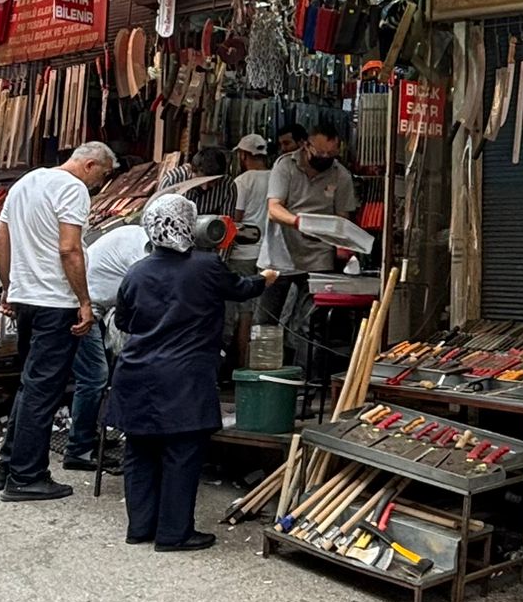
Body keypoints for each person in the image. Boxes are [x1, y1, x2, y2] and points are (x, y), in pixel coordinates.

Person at [112, 195, 262, 550]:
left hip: (136, 374)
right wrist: (266, 279)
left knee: (140, 451)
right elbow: (241, 289)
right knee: (181, 454)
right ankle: (174, 533)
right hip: (183, 377)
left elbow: (123, 321)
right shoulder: (206, 266)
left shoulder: (136, 272)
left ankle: (141, 527)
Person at [0, 141, 117, 502]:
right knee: (43, 390)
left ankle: (8, 467)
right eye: (103, 175)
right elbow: (69, 248)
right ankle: (26, 477)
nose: (100, 183)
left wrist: (9, 287)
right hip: (54, 301)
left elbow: (2, 240)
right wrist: (84, 300)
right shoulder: (72, 188)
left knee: (31, 385)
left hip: (28, 296)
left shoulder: (26, 183)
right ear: (90, 165)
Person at [62, 223, 149, 473]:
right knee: (94, 376)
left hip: (91, 307)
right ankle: (78, 449)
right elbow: (144, 294)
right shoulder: (140, 250)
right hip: (83, 309)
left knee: (97, 374)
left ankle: (87, 436)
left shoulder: (136, 237)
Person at [257, 125, 359, 326]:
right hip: (279, 254)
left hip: (318, 257)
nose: (325, 157)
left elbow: (342, 218)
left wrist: (343, 247)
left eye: (331, 153)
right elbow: (274, 208)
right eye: (320, 152)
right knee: (265, 322)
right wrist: (299, 223)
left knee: (310, 324)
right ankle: (266, 357)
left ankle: (303, 357)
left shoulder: (341, 175)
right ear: (306, 146)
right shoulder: (285, 166)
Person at [231, 133, 270, 221]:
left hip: (249, 233)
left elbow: (236, 217)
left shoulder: (242, 181)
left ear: (243, 155)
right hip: (273, 235)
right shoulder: (276, 177)